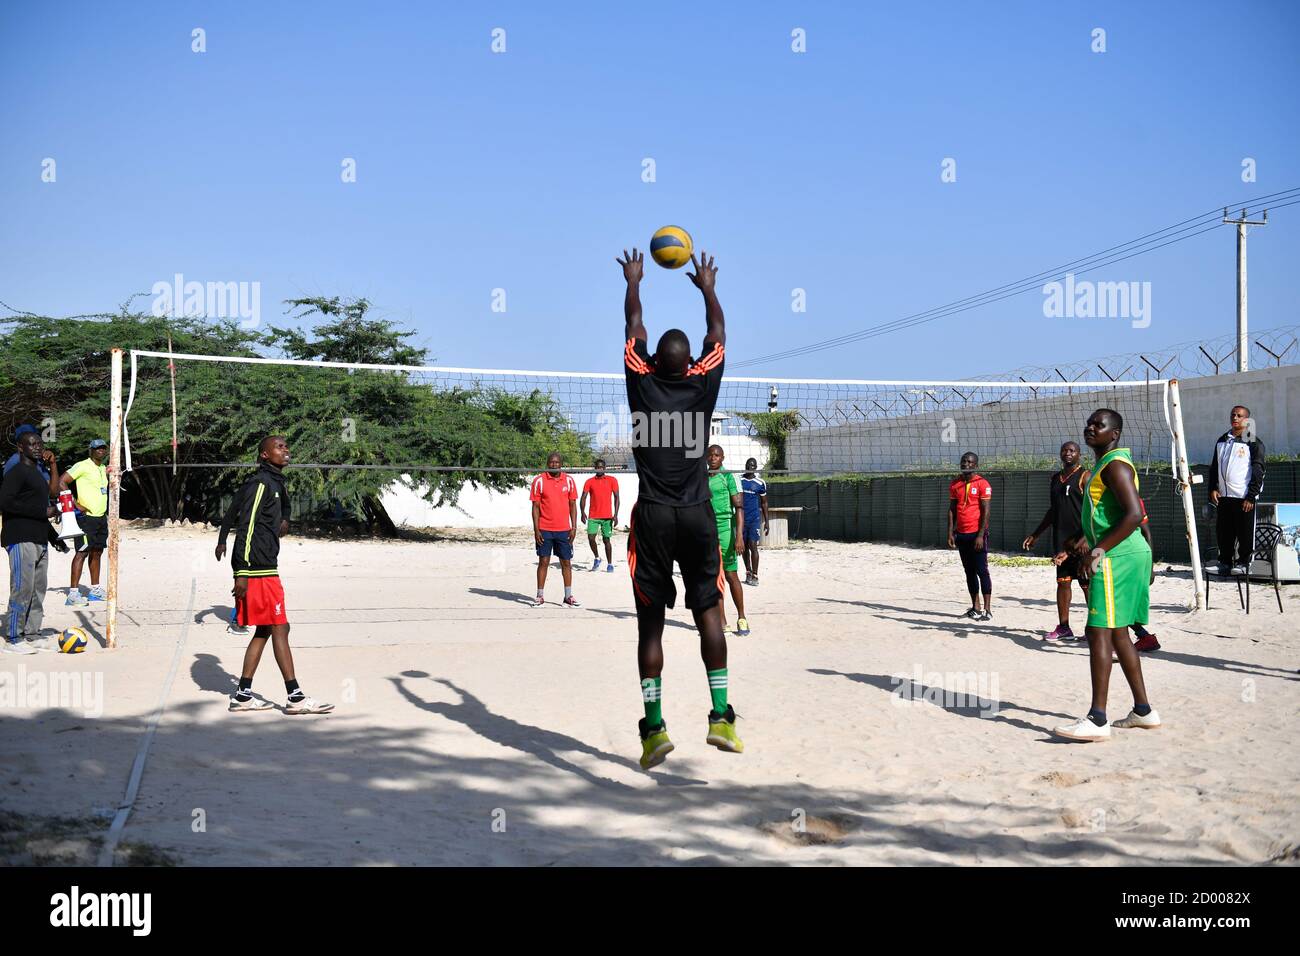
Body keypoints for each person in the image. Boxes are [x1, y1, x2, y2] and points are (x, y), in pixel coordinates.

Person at [618, 246, 741, 770]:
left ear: (649, 363)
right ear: (690, 363)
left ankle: (654, 729)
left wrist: (635, 282)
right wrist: (708, 287)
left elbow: (633, 326)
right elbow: (718, 335)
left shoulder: (639, 382)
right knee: (709, 610)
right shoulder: (701, 386)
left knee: (650, 626)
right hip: (695, 515)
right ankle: (720, 717)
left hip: (652, 517)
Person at [1053, 409, 1160, 742]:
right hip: (1122, 552)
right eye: (1089, 423)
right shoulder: (1102, 465)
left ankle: (1097, 719)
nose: (1090, 428)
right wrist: (1082, 542)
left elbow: (1134, 514)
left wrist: (1098, 551)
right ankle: (1143, 711)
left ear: (1114, 434)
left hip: (1118, 557)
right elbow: (1107, 516)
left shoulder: (1115, 464)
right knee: (1117, 634)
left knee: (1097, 631)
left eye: (1099, 425)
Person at [215, 435, 332, 714]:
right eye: (279, 447)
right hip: (256, 568)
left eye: (286, 445)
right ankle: (295, 697)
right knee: (280, 627)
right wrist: (240, 571)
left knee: (267, 629)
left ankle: (242, 695)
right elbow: (245, 525)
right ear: (265, 455)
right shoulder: (260, 483)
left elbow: (282, 509)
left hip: (267, 564)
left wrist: (284, 519)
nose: (286, 449)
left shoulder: (277, 482)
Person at [1, 429, 70, 654]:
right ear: (21, 448)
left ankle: (32, 633)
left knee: (38, 589)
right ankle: (13, 638)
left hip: (39, 539)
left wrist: (54, 538)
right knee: (22, 588)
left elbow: (44, 508)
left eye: (40, 444)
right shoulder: (16, 472)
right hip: (20, 537)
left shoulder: (38, 475)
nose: (38, 447)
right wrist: (43, 510)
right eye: (32, 444)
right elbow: (6, 503)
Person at [1023, 442, 1088, 641]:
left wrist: (1086, 538)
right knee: (1063, 583)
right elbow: (1053, 511)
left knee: (1089, 585)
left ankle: (1094, 629)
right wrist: (1036, 534)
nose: (1067, 453)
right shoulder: (1055, 479)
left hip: (1083, 540)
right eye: (1064, 450)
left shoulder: (1086, 476)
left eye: (1072, 450)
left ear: (1079, 454)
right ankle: (1064, 627)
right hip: (1061, 539)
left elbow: (1094, 512)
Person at [1207, 405, 1266, 575]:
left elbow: (1258, 470)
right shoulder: (1222, 440)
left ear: (1246, 420)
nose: (1235, 418)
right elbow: (1214, 467)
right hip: (1224, 497)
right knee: (1224, 532)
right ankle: (1224, 562)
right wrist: (1213, 488)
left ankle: (1244, 563)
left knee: (1244, 533)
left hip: (1243, 498)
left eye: (1239, 416)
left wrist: (1251, 496)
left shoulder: (1253, 442)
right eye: (1233, 414)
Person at [60, 438, 109, 607]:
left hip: (101, 518)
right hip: (86, 518)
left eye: (103, 448)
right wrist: (74, 503)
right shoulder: (82, 465)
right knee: (82, 552)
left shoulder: (103, 468)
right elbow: (62, 481)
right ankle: (73, 594)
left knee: (97, 552)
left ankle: (95, 590)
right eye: (97, 448)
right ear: (91, 450)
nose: (101, 451)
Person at [706, 444, 748, 636]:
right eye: (710, 455)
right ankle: (722, 621)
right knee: (716, 578)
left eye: (717, 455)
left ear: (722, 458)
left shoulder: (729, 476)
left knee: (731, 576)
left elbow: (739, 507)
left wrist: (739, 536)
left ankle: (742, 617)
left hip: (726, 531)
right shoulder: (702, 477)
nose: (713, 458)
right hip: (707, 532)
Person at [530, 452, 580, 607]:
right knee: (544, 561)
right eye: (551, 462)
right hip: (545, 529)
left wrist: (574, 527)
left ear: (561, 464)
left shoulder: (569, 481)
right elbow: (535, 507)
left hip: (564, 530)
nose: (554, 464)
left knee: (566, 562)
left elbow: (573, 505)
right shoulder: (539, 481)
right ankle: (540, 596)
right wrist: (536, 529)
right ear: (547, 463)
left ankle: (568, 596)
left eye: (557, 462)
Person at [947, 451, 993, 621]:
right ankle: (976, 607)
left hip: (977, 534)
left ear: (976, 465)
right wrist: (951, 532)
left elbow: (986, 511)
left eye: (969, 462)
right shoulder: (955, 483)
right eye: (963, 461)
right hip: (962, 533)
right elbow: (952, 510)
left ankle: (987, 609)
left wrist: (981, 535)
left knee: (982, 570)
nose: (966, 464)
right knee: (969, 571)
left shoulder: (982, 483)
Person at [579, 458, 620, 573]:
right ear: (595, 468)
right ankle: (597, 557)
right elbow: (583, 497)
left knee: (606, 540)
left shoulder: (612, 480)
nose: (599, 469)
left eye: (602, 467)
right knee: (591, 537)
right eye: (597, 467)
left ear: (605, 468)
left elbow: (617, 497)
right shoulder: (589, 481)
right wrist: (582, 512)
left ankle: (610, 564)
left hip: (607, 517)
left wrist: (615, 515)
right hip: (593, 516)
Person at [739, 457, 769, 586]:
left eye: (752, 465)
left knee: (753, 546)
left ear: (755, 467)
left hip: (754, 519)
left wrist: (767, 521)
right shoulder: (739, 480)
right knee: (744, 547)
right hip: (741, 519)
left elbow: (764, 503)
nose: (750, 466)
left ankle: (755, 575)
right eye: (748, 464)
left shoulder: (760, 483)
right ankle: (748, 572)